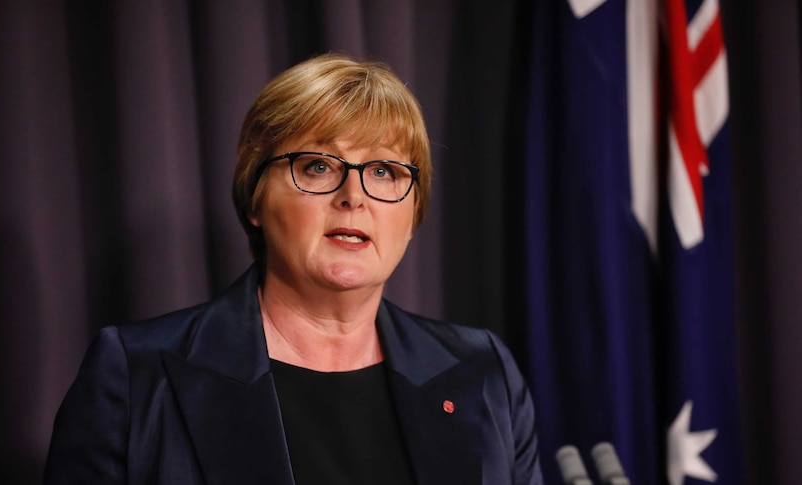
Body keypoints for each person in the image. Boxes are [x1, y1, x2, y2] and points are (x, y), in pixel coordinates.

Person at [44, 53, 543, 485]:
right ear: (256, 197)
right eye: (318, 166)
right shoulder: (136, 375)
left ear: (413, 214)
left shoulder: (482, 373)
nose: (354, 197)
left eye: (384, 171)